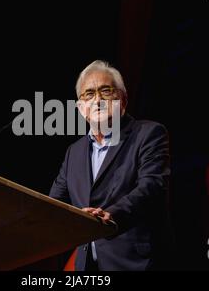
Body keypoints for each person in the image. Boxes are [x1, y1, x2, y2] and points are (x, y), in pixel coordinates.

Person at [49, 60, 172, 271]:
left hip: (136, 263)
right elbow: (54, 203)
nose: (97, 100)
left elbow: (152, 186)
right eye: (89, 94)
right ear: (81, 109)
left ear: (122, 101)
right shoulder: (74, 152)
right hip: (87, 267)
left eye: (106, 91)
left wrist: (112, 214)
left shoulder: (148, 134)